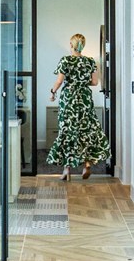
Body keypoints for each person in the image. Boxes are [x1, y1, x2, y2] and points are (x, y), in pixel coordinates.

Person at [46, 33, 111, 180]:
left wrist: (52, 92)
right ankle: (86, 164)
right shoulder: (90, 61)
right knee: (85, 130)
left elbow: (59, 81)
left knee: (67, 131)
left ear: (71, 45)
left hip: (69, 99)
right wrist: (81, 82)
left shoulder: (66, 60)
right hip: (84, 99)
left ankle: (67, 170)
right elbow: (95, 82)